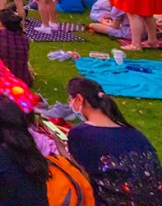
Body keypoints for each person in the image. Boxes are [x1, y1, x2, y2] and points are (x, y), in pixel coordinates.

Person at [63, 77, 162, 206]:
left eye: (70, 100)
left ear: (79, 99)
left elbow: (80, 174)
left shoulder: (80, 134)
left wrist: (62, 150)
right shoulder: (133, 132)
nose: (70, 105)